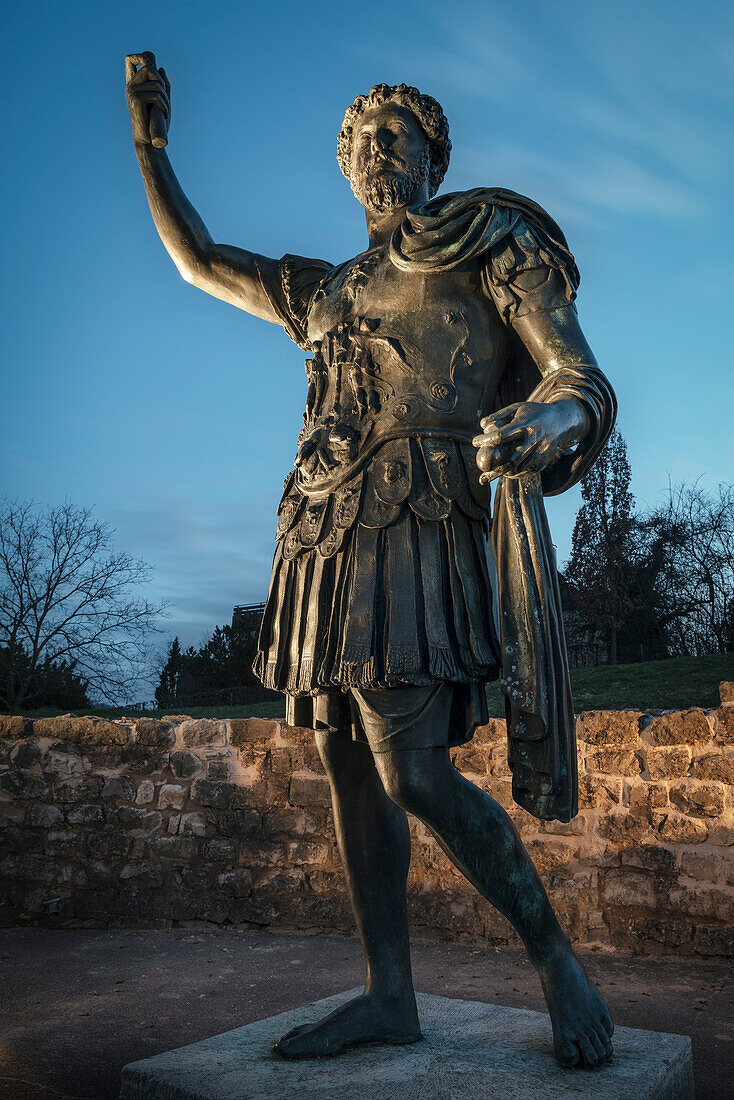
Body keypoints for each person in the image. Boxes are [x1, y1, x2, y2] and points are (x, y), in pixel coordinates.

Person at [126, 59, 616, 1070]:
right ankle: (386, 991)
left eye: (399, 135)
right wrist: (149, 146)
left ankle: (555, 959)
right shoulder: (327, 286)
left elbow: (577, 377)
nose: (378, 150)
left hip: (422, 511)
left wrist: (544, 417)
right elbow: (200, 261)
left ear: (436, 158)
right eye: (362, 139)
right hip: (322, 524)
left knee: (416, 770)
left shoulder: (489, 240)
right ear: (345, 166)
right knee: (344, 760)